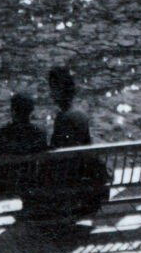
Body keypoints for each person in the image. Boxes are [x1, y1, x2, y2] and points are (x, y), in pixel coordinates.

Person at [43, 67, 110, 221]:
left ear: (58, 91)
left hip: (69, 179)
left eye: (53, 88)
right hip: (81, 175)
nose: (51, 93)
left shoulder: (64, 117)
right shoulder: (80, 114)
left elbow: (57, 152)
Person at [0, 92, 48, 205]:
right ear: (31, 111)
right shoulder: (39, 134)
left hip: (5, 184)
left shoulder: (4, 132)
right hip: (30, 182)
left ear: (13, 111)